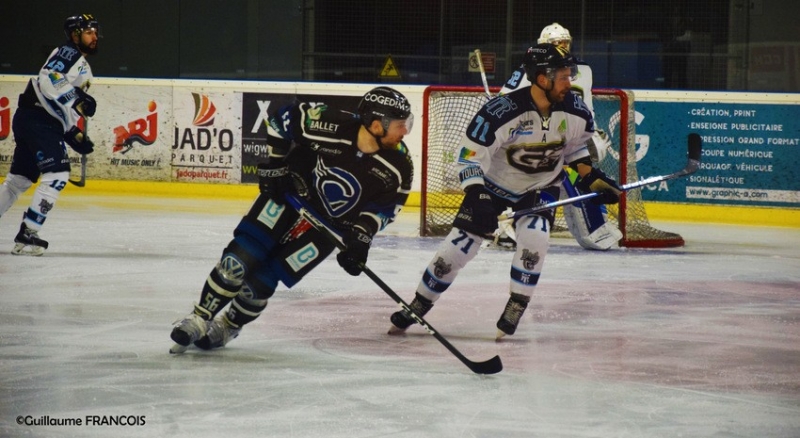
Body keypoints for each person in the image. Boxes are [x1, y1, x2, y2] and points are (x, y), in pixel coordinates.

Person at [389, 45, 622, 339]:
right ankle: (419, 304)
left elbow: (574, 147)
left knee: (536, 238)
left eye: (569, 75)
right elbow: (469, 157)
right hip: (491, 187)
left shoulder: (576, 109)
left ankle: (516, 304)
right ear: (541, 78)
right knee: (456, 249)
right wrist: (478, 194)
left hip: (540, 187)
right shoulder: (500, 112)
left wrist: (590, 177)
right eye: (562, 76)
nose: (569, 82)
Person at [169, 86, 414, 353]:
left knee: (262, 281)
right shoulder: (328, 123)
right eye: (400, 125)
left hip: (328, 230)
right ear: (376, 124)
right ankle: (200, 317)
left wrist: (361, 238)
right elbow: (279, 121)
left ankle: (228, 326)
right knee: (239, 259)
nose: (405, 131)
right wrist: (276, 166)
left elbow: (385, 209)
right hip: (288, 197)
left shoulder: (400, 165)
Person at [495, 22, 622, 251]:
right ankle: (506, 224)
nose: (563, 48)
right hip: (535, 135)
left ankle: (596, 224)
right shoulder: (530, 71)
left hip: (569, 134)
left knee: (583, 175)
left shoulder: (582, 70)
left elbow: (586, 109)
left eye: (566, 43)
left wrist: (591, 132)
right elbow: (503, 103)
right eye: (557, 44)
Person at [0, 14, 98, 256]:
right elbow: (49, 80)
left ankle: (28, 233)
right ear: (75, 35)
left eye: (96, 31)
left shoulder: (80, 64)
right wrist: (79, 98)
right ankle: (29, 232)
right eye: (88, 31)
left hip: (35, 119)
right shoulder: (69, 53)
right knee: (58, 174)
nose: (94, 36)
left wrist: (73, 134)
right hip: (38, 119)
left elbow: (61, 105)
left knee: (18, 181)